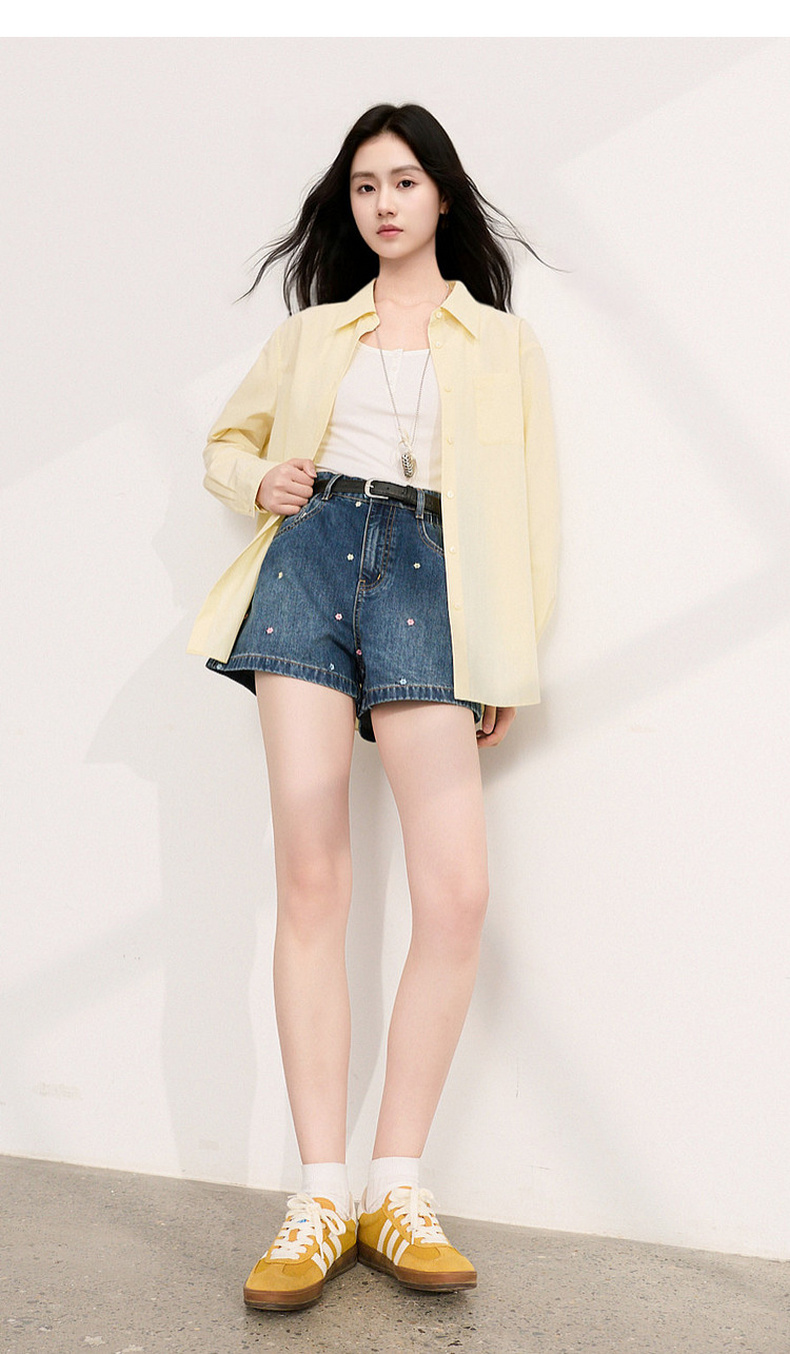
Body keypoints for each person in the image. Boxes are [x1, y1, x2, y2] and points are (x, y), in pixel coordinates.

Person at [188, 102, 559, 1311]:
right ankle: (318, 1194)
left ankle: (394, 1185)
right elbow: (224, 446)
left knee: (456, 892)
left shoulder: (500, 343)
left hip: (432, 584)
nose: (383, 203)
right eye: (363, 186)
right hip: (309, 567)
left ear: (441, 194)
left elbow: (530, 513)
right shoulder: (313, 332)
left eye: (403, 181)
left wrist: (505, 661)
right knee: (312, 879)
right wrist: (263, 477)